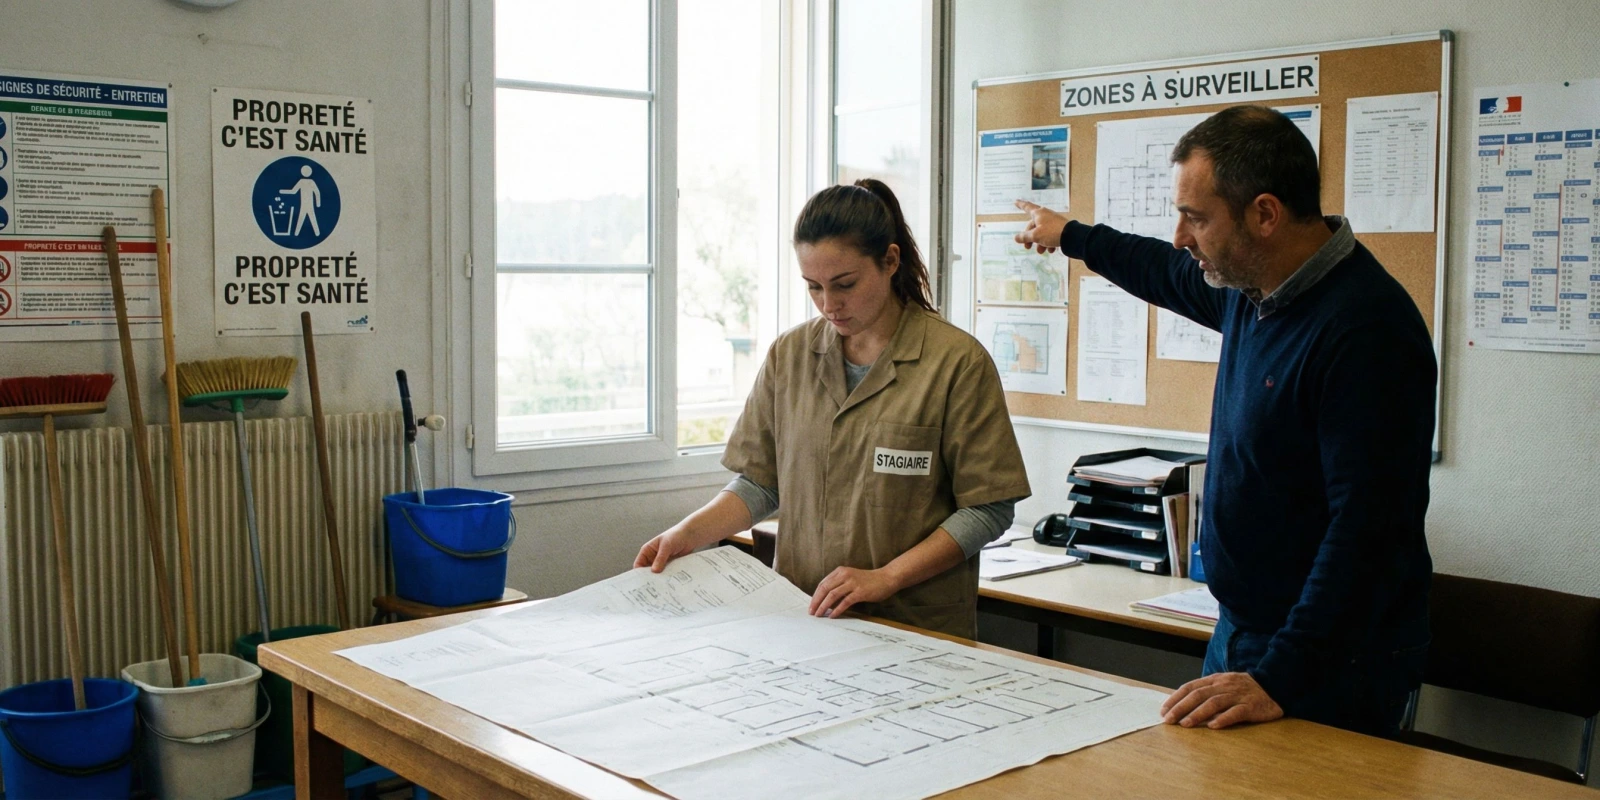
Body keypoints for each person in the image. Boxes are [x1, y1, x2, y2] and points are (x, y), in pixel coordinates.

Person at [1014, 105, 1435, 737]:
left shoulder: (1367, 330)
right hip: (1244, 631)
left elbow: (1369, 533)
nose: (1183, 235)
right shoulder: (1257, 289)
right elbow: (1160, 268)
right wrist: (1071, 234)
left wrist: (1280, 676)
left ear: (1265, 214)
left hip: (1327, 659)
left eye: (1196, 217)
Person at [635, 178, 1031, 639]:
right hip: (803, 619)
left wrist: (887, 577)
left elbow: (989, 508)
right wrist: (687, 534)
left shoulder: (956, 363)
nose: (829, 305)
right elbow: (760, 485)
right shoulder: (790, 356)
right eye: (814, 287)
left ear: (890, 261)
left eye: (844, 284)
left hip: (913, 625)